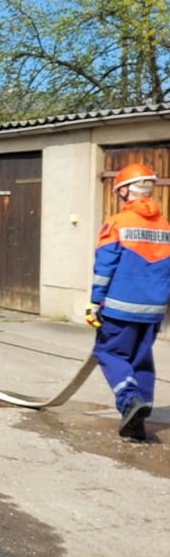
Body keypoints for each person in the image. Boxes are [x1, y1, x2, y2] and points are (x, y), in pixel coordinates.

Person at [86, 162, 170, 442]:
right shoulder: (164, 226)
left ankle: (130, 400)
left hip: (120, 307)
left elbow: (105, 267)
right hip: (153, 311)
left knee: (110, 353)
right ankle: (137, 419)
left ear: (123, 192)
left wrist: (94, 302)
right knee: (141, 361)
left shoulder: (119, 223)